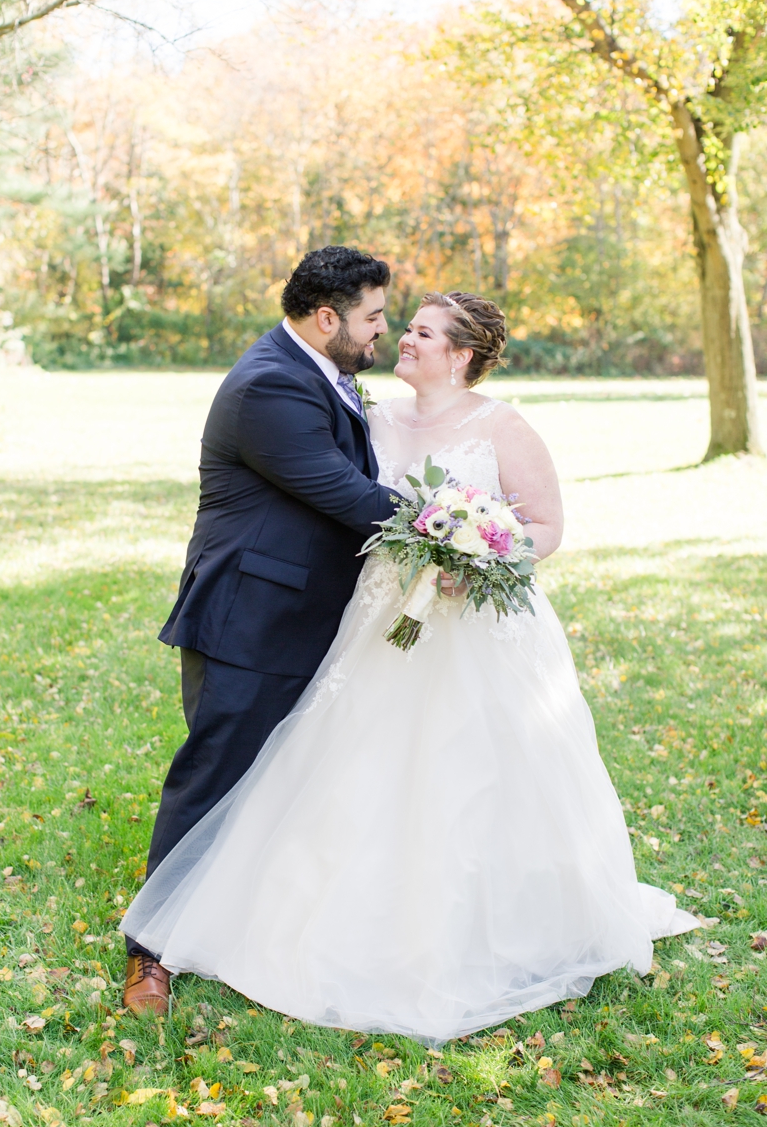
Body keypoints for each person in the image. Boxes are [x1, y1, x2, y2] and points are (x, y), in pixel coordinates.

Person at [122, 290, 698, 1042]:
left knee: (471, 767)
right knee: (350, 760)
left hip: (477, 630)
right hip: (379, 619)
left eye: (423, 333)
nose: (404, 339)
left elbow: (546, 525)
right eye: (404, 327)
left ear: (461, 355)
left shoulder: (502, 426)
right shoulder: (372, 417)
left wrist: (484, 551)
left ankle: (490, 917)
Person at [123, 246, 404, 1016]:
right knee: (214, 776)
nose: (384, 330)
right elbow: (342, 492)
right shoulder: (270, 385)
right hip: (252, 616)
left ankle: (242, 922)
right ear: (326, 318)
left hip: (309, 613)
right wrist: (450, 531)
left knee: (282, 776)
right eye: (373, 317)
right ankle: (149, 953)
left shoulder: (324, 370)